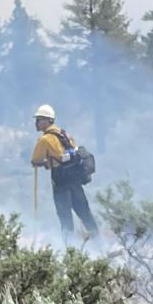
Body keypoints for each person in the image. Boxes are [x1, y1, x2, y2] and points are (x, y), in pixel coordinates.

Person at [29, 103, 96, 241]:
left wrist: (46, 163)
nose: (37, 122)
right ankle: (99, 243)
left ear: (48, 120)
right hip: (75, 180)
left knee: (65, 217)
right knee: (85, 213)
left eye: (39, 119)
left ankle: (69, 249)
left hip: (60, 182)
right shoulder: (64, 134)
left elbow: (35, 160)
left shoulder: (45, 139)